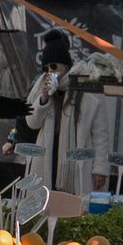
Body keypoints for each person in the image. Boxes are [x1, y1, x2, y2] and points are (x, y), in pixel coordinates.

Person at [21, 29, 113, 197]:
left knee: (74, 206)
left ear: (65, 65)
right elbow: (32, 123)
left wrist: (100, 168)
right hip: (47, 157)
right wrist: (43, 98)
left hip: (75, 160)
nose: (50, 71)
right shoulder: (41, 86)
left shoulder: (83, 87)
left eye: (54, 66)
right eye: (46, 68)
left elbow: (101, 135)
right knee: (46, 203)